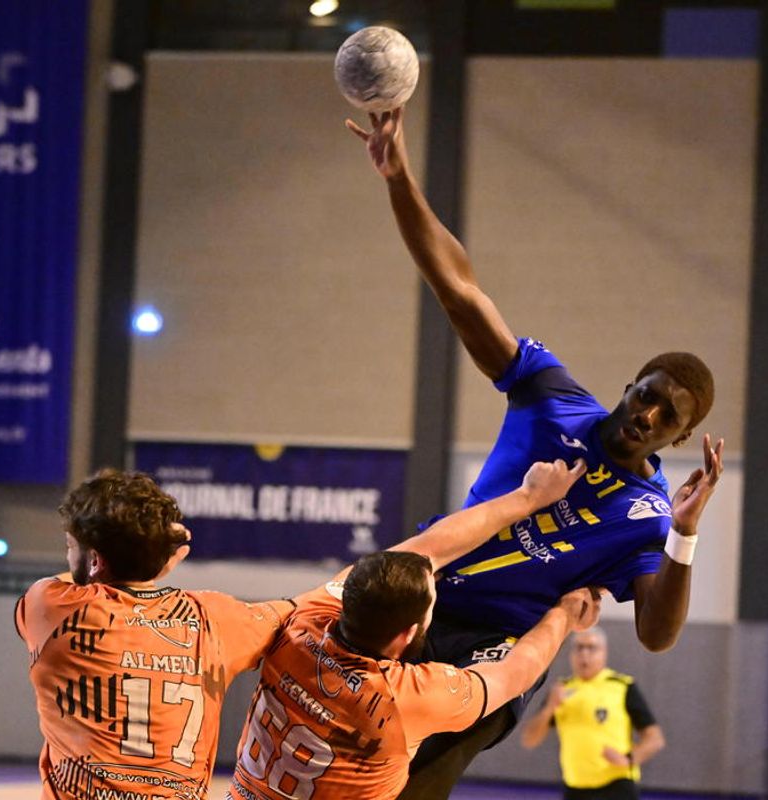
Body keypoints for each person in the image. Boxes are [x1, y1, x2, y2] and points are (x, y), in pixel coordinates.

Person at [345, 108, 725, 798]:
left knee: (410, 774)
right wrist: (399, 179)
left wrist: (685, 534)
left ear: (676, 439)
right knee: (339, 748)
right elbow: (460, 290)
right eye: (646, 394)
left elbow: (657, 633)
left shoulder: (646, 516)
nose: (647, 414)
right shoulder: (553, 399)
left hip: (498, 645)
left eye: (668, 416)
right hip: (421, 601)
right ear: (628, 386)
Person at [227, 458, 600, 800]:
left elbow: (427, 550)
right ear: (408, 634)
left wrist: (529, 497)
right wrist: (566, 611)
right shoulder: (409, 697)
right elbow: (515, 673)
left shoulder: (304, 619)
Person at [15, 469, 295, 800]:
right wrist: (151, 555)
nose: (67, 554)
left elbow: (73, 580)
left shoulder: (50, 608)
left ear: (94, 561)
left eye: (70, 546)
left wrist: (149, 558)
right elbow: (298, 611)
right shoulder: (215, 617)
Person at [520, 628, 666, 800]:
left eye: (592, 648)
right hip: (575, 788)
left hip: (616, 786)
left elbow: (654, 738)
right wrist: (549, 708)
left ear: (604, 653)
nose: (584, 654)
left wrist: (629, 758)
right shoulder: (561, 689)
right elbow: (529, 739)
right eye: (579, 648)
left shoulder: (622, 686)